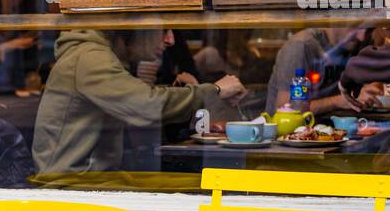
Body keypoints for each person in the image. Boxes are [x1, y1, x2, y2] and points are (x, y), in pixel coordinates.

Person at [33, 28, 246, 175]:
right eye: (164, 29)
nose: (170, 40)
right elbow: (147, 105)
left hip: (88, 179)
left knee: (192, 185)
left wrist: (177, 91)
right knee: (196, 188)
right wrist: (215, 90)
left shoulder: (96, 54)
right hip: (68, 185)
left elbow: (139, 98)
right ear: (141, 25)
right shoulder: (91, 57)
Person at [264, 27, 384, 116]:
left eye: (368, 30)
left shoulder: (360, 41)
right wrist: (340, 101)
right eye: (354, 27)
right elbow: (286, 108)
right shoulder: (301, 47)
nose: (362, 36)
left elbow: (377, 72)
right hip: (289, 140)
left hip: (337, 136)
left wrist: (371, 88)